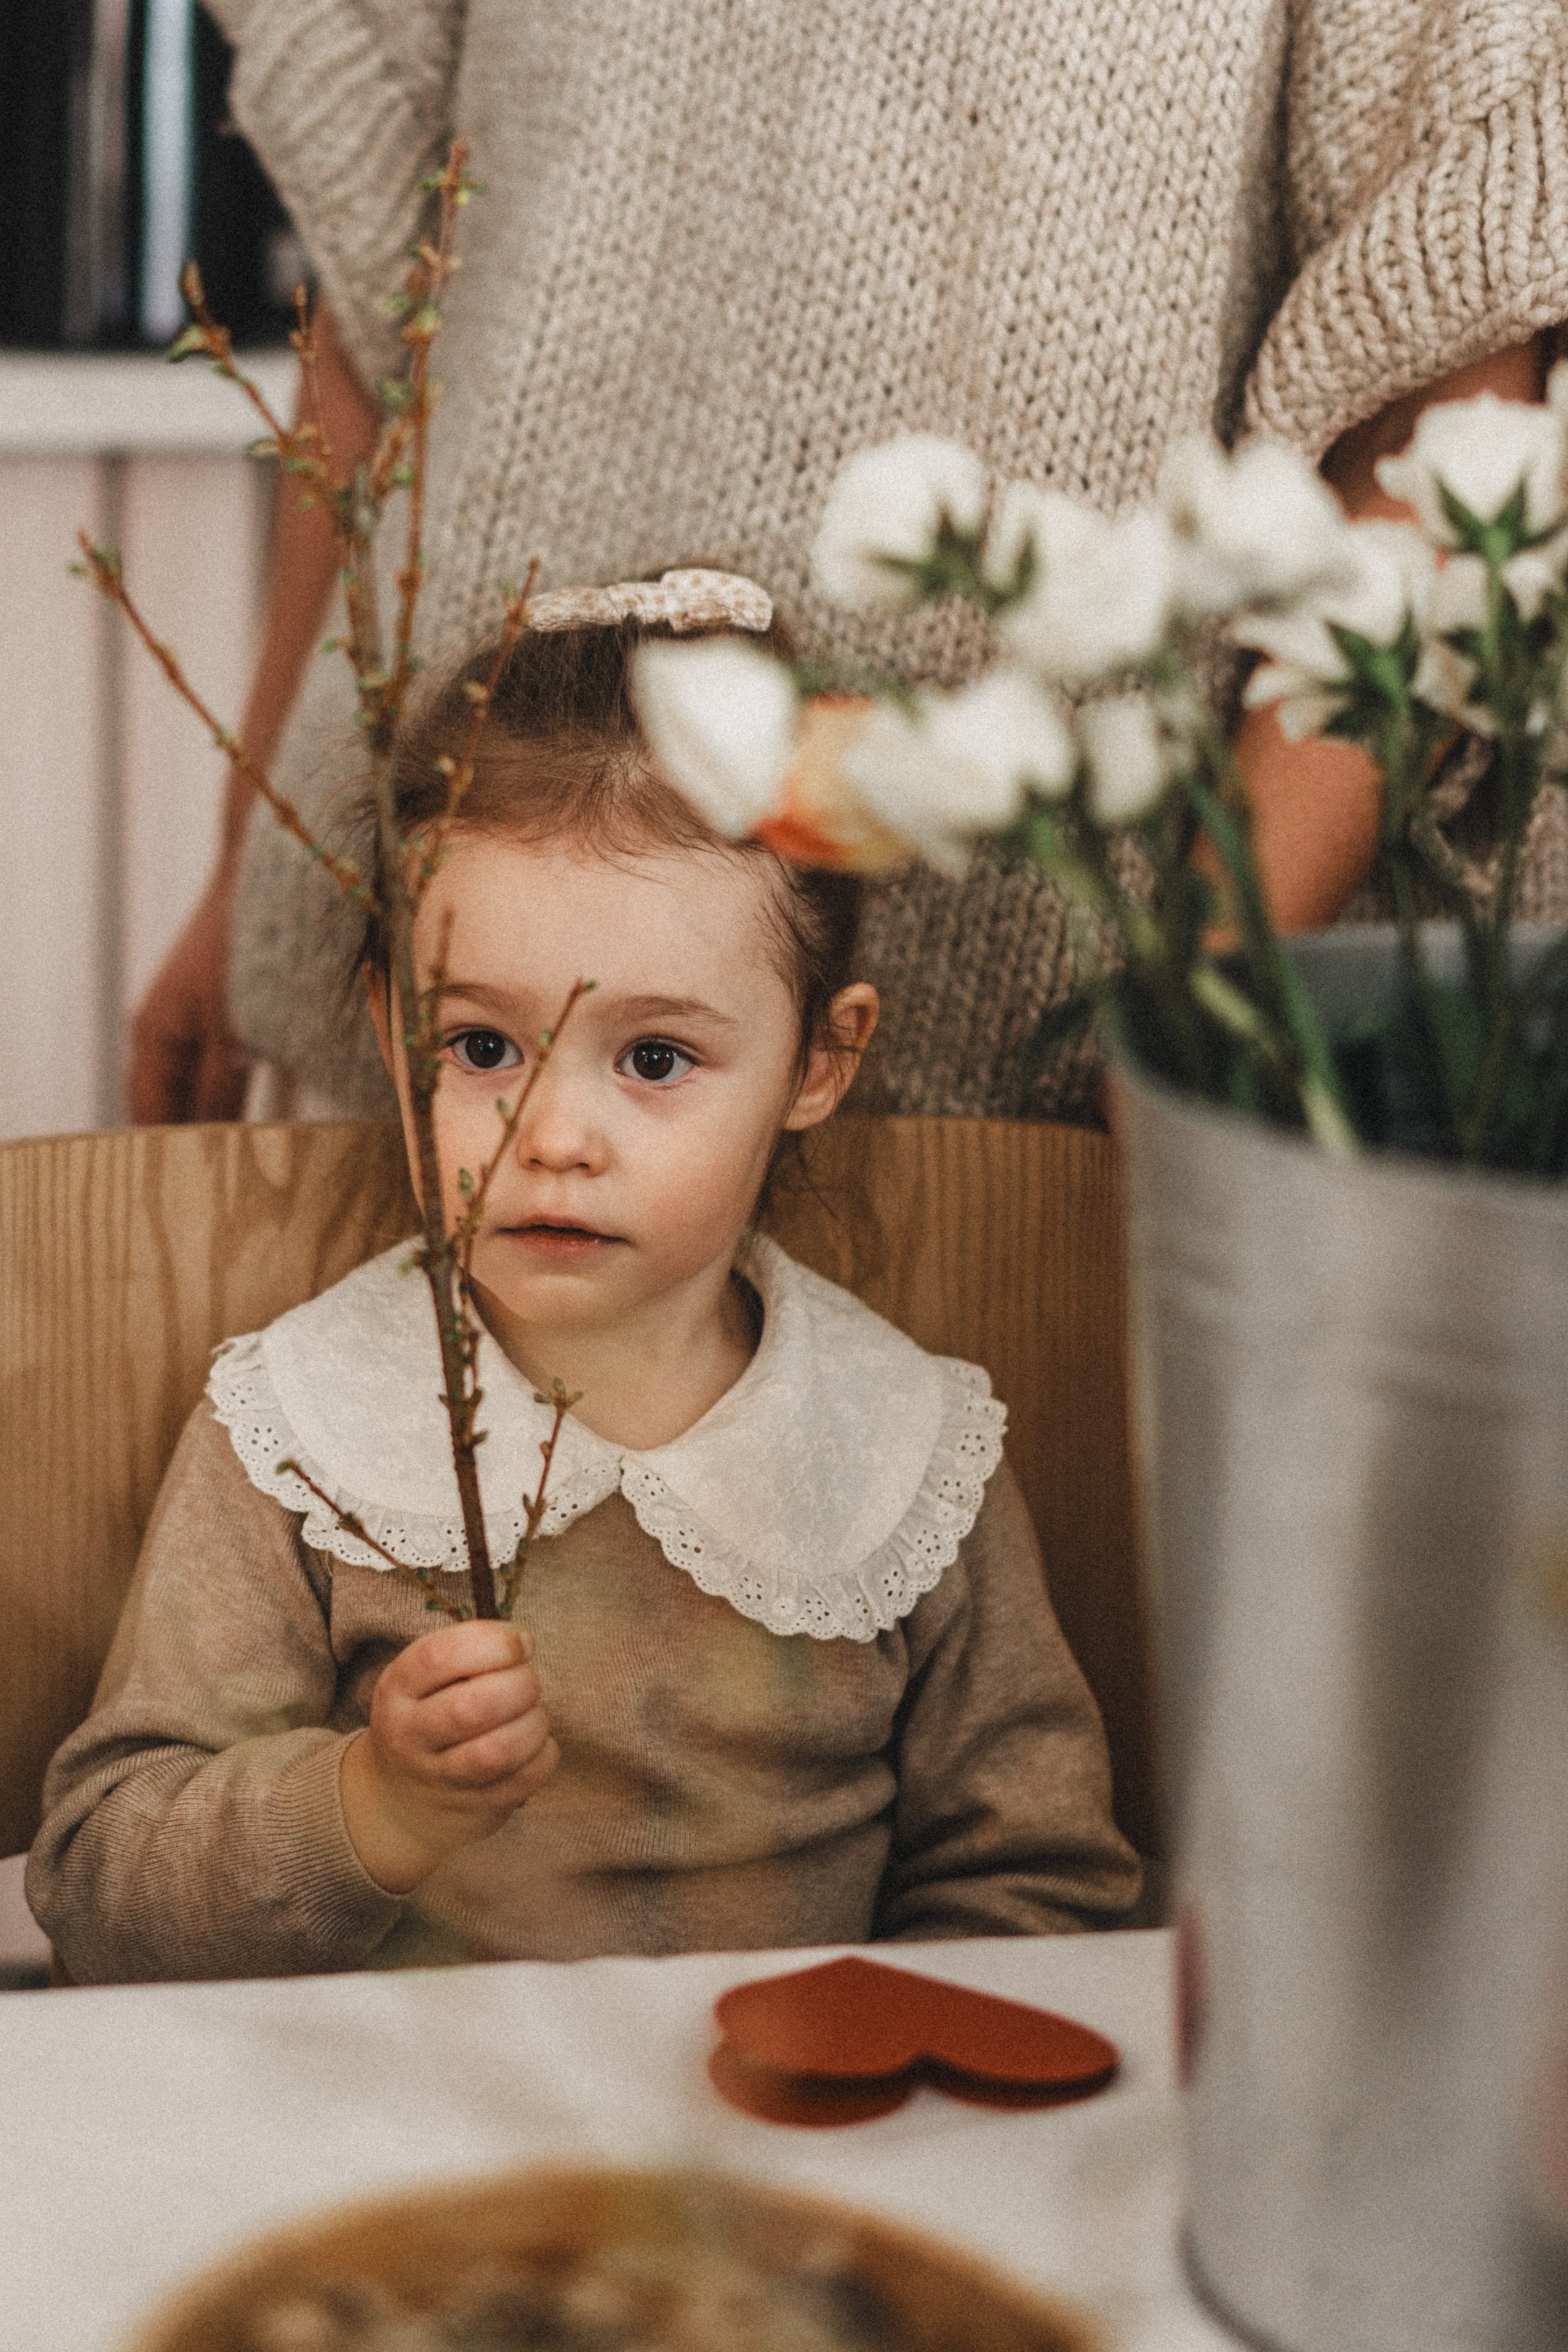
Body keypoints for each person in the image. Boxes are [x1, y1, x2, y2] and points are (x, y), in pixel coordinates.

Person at [132, 0, 1568, 1125]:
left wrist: (1198, 1009)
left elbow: (1441, 408)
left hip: (1047, 1087)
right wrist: (246, 856)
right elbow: (382, 308)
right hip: (458, 1025)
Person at [29, 585, 1142, 1983]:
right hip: (394, 2151)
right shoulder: (300, 1435)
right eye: (481, 1049)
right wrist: (366, 1810)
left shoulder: (907, 1453)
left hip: (774, 2163)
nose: (553, 1138)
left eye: (655, 1060)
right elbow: (103, 1884)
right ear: (392, 1032)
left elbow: (1038, 1886)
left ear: (818, 1063)